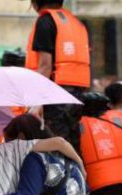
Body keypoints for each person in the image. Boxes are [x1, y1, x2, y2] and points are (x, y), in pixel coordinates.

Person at [25, 0, 90, 154]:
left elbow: (45, 65)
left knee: (56, 145)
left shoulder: (46, 22)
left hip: (55, 95)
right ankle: (76, 177)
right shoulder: (76, 23)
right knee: (72, 145)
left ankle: (61, 177)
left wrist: (36, 101)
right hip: (76, 94)